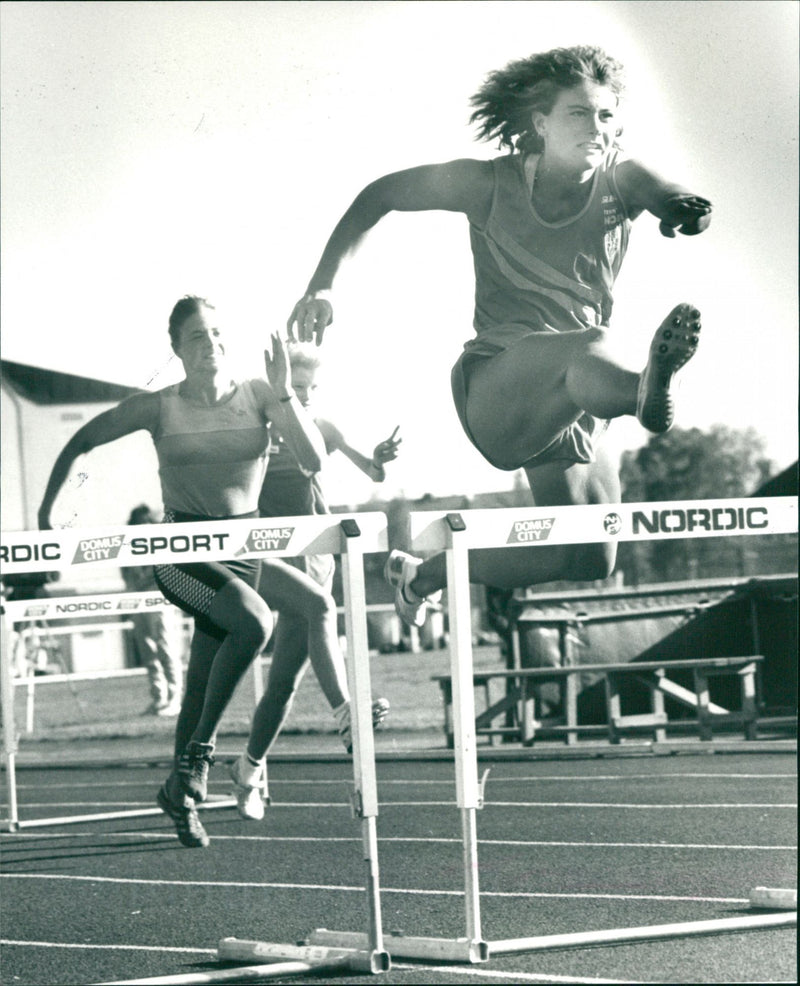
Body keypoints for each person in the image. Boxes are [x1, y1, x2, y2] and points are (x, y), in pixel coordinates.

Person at [286, 45, 711, 625]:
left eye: (606, 116)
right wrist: (324, 284)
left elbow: (672, 196)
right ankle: (644, 388)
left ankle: (422, 577)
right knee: (588, 346)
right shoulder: (486, 184)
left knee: (589, 556)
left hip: (574, 403)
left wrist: (683, 210)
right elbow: (379, 196)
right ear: (540, 124)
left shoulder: (623, 179)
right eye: (578, 114)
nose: (596, 128)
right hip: (500, 385)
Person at [37, 295, 371, 848]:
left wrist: (285, 389)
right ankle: (198, 760)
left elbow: (312, 459)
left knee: (282, 623)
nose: (210, 343)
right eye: (196, 336)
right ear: (177, 350)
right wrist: (50, 512)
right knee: (255, 623)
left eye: (217, 332)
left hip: (243, 551)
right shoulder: (159, 406)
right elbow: (82, 440)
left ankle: (179, 792)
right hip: (180, 553)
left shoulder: (260, 394)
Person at [229, 343, 399, 820]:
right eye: (294, 386)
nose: (302, 395)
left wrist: (381, 457)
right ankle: (346, 714)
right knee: (317, 612)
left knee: (283, 682)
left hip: (318, 557)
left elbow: (373, 471)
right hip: (277, 557)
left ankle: (247, 768)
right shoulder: (258, 433)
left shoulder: (324, 429)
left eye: (309, 388)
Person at [121, 504, 184, 717]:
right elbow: (127, 576)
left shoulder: (160, 545)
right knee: (147, 649)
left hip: (159, 599)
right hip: (138, 600)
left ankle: (175, 698)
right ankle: (159, 697)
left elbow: (163, 573)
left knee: (165, 647)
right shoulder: (128, 546)